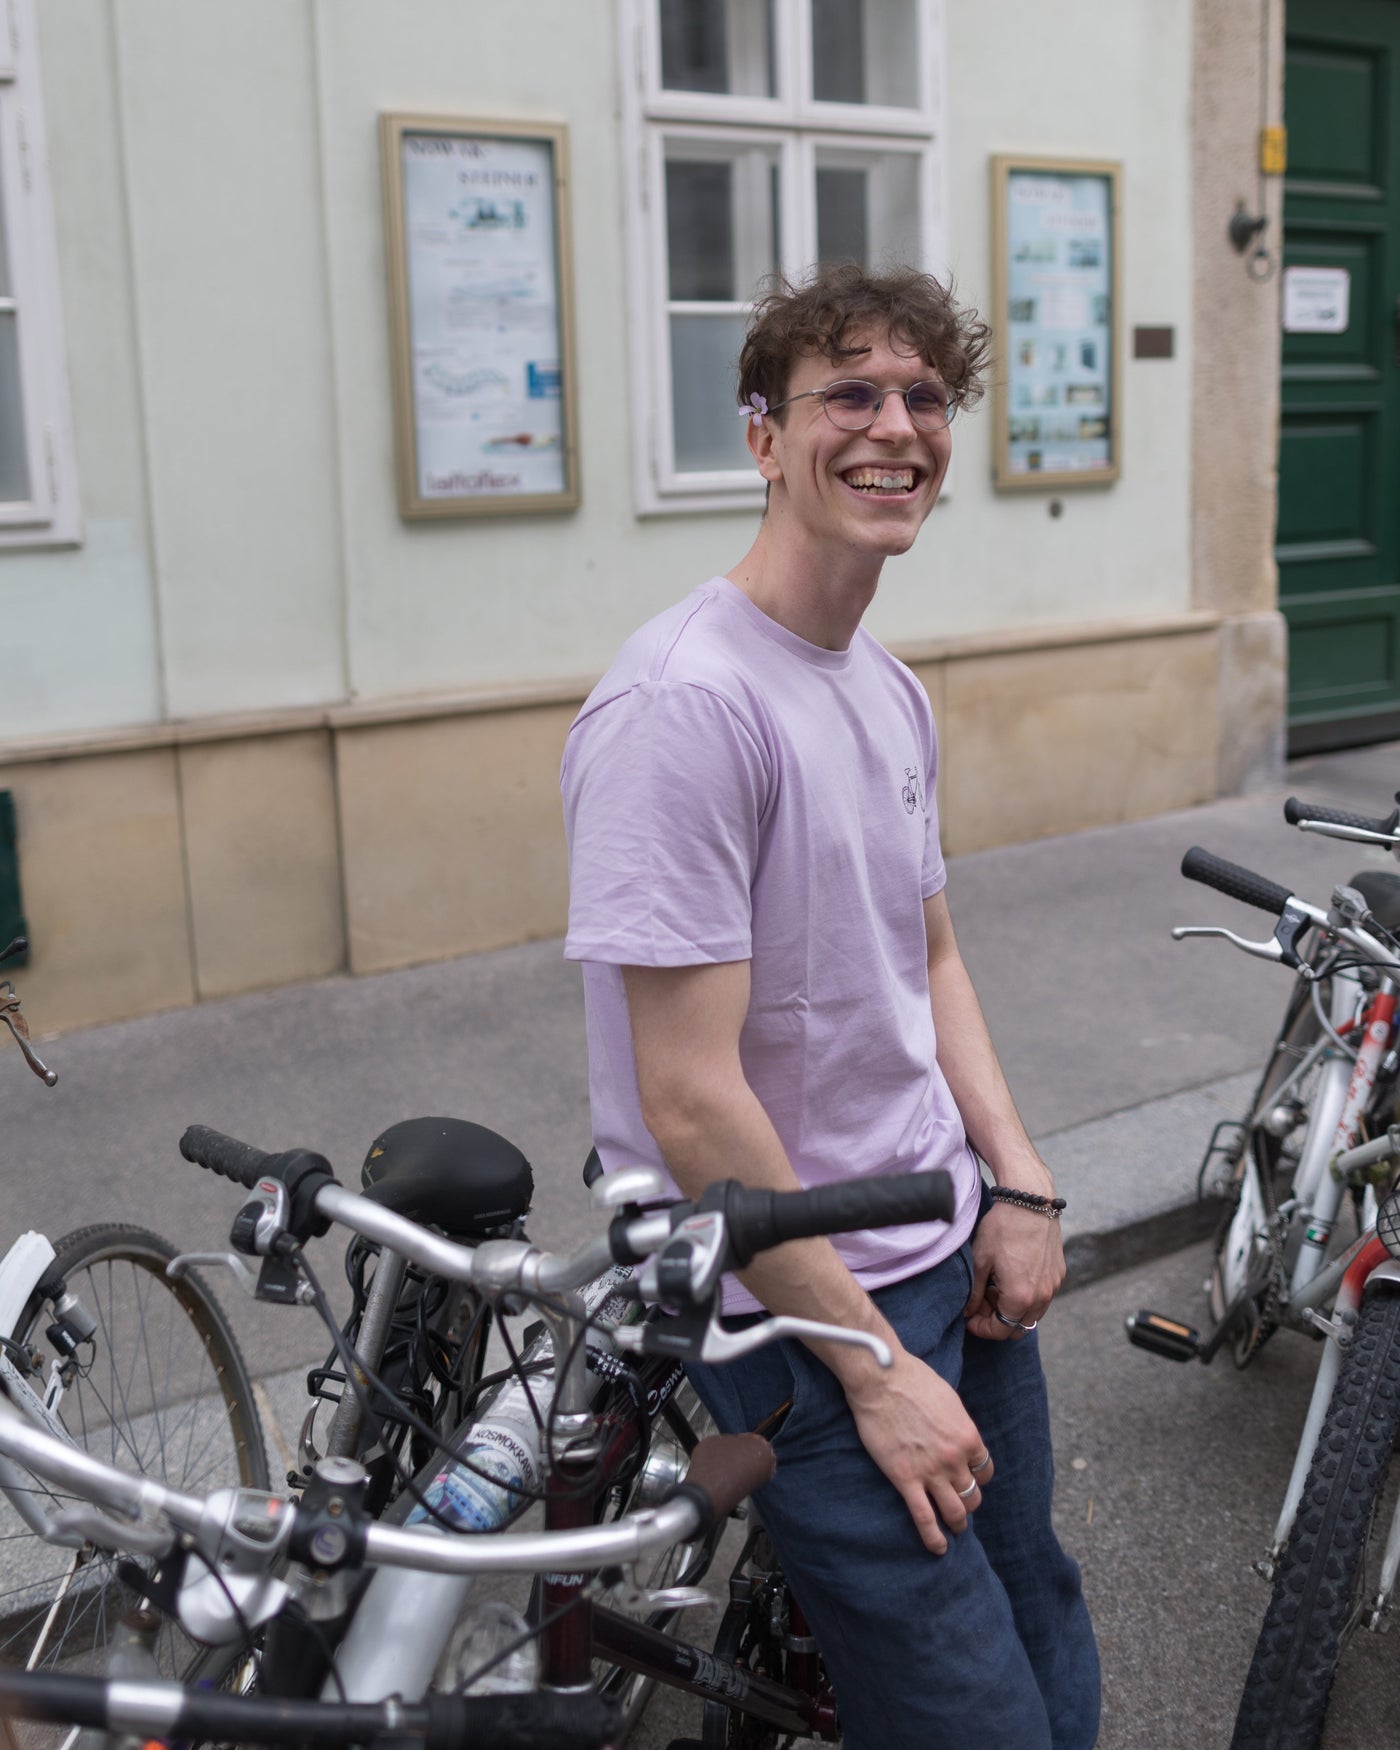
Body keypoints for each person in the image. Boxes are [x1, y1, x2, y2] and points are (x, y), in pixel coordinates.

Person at [560, 263, 1099, 1748]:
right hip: (792, 1308)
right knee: (973, 1707)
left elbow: (929, 960)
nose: (894, 426)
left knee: (1035, 1598)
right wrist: (870, 1365)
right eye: (848, 392)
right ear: (762, 437)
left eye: (923, 396)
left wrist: (1021, 1181)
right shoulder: (684, 707)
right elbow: (689, 1100)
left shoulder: (883, 684)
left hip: (947, 1241)